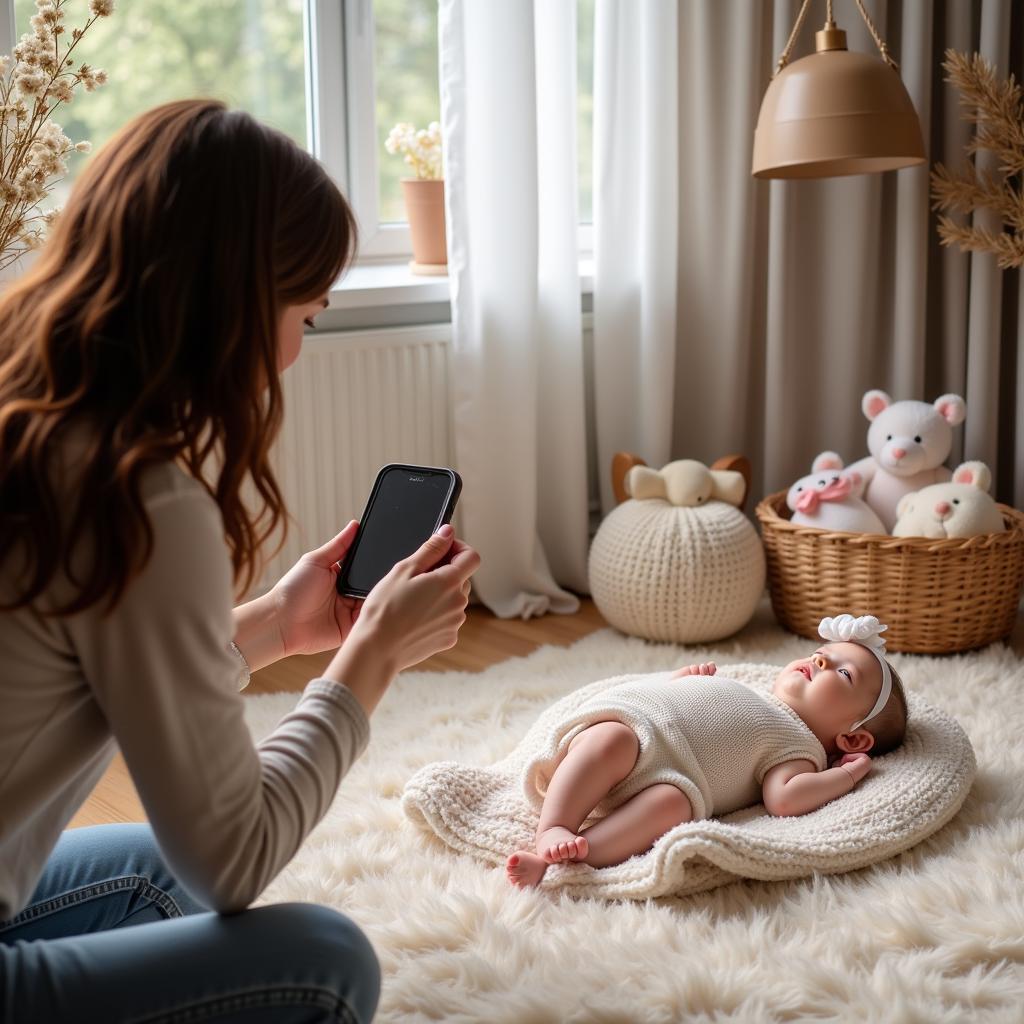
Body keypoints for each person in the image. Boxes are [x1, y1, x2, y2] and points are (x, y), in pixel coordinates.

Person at [0, 99, 480, 1022]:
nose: (296, 350)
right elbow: (232, 861)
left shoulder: (36, 416)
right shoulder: (137, 494)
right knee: (325, 962)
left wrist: (272, 628)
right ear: (234, 303)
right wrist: (366, 659)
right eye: (306, 312)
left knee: (151, 872)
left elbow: (92, 671)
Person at [506, 614, 907, 889]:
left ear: (852, 739)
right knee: (609, 739)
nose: (820, 658)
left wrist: (846, 775)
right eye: (824, 651)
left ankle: (576, 854)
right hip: (637, 729)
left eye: (841, 672)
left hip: (672, 779)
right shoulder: (755, 691)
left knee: (672, 807)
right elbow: (671, 694)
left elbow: (784, 799)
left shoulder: (800, 749)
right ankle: (555, 825)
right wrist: (682, 679)